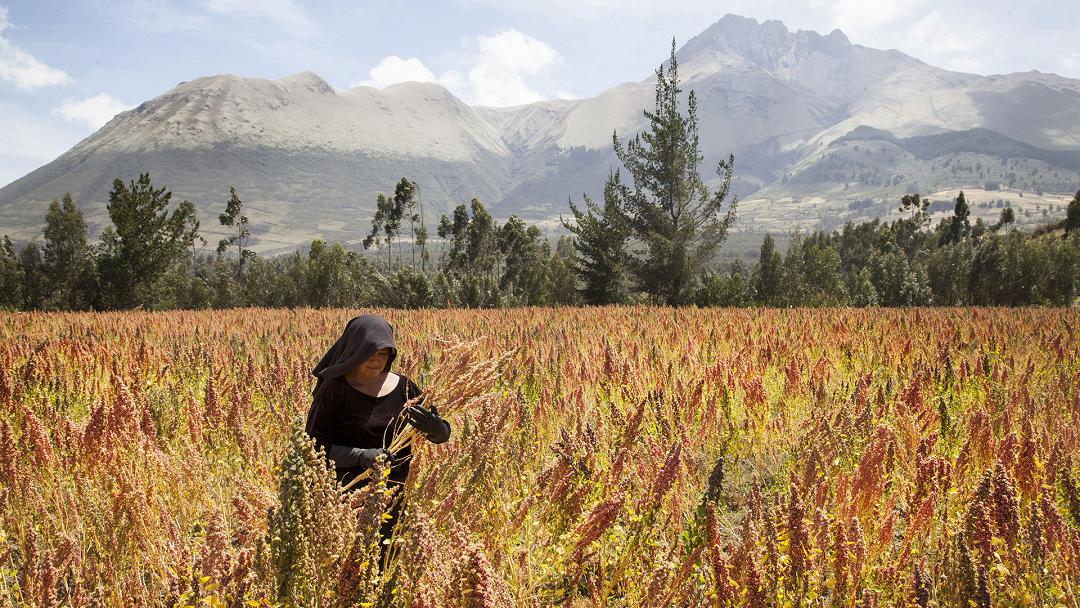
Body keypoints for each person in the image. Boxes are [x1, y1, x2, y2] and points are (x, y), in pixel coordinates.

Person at [305, 314, 450, 547]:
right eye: (368, 354)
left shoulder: (405, 388)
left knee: (386, 565)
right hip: (346, 501)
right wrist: (363, 456)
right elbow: (314, 449)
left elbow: (440, 435)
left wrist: (437, 428)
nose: (376, 361)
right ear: (354, 351)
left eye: (383, 354)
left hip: (393, 500)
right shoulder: (333, 391)